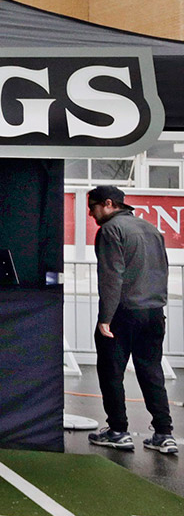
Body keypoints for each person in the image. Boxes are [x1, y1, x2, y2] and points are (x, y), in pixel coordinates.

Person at [86, 185, 177, 454]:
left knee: (111, 372)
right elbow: (162, 270)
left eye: (92, 207)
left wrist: (105, 318)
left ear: (108, 204)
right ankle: (164, 433)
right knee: (151, 372)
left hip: (123, 312)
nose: (91, 214)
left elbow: (111, 276)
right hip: (154, 311)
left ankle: (118, 431)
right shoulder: (151, 229)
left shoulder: (110, 231)